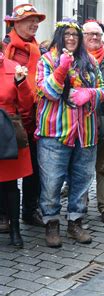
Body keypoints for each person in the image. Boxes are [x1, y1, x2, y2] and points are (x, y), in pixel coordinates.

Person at [36, 19, 104, 248]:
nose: (71, 38)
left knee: (81, 181)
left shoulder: (88, 61)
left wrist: (89, 93)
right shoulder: (46, 60)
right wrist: (61, 68)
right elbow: (47, 91)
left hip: (85, 133)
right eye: (67, 34)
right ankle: (51, 224)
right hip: (54, 133)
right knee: (52, 182)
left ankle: (75, 221)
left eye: (75, 35)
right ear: (59, 35)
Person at [3, 3, 46, 229]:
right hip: (8, 119)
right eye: (30, 19)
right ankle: (4, 214)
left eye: (37, 20)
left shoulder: (39, 49)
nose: (35, 24)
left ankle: (30, 210)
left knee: (34, 170)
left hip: (34, 118)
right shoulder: (5, 47)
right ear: (15, 23)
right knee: (6, 169)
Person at [83, 20, 104, 224]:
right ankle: (81, 205)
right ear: (83, 37)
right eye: (90, 34)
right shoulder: (75, 61)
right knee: (82, 168)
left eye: (98, 34)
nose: (94, 38)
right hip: (82, 124)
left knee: (103, 167)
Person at [0, 42, 34, 248]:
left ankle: (15, 230)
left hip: (7, 131)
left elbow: (27, 104)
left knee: (10, 185)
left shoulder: (14, 68)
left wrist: (21, 84)